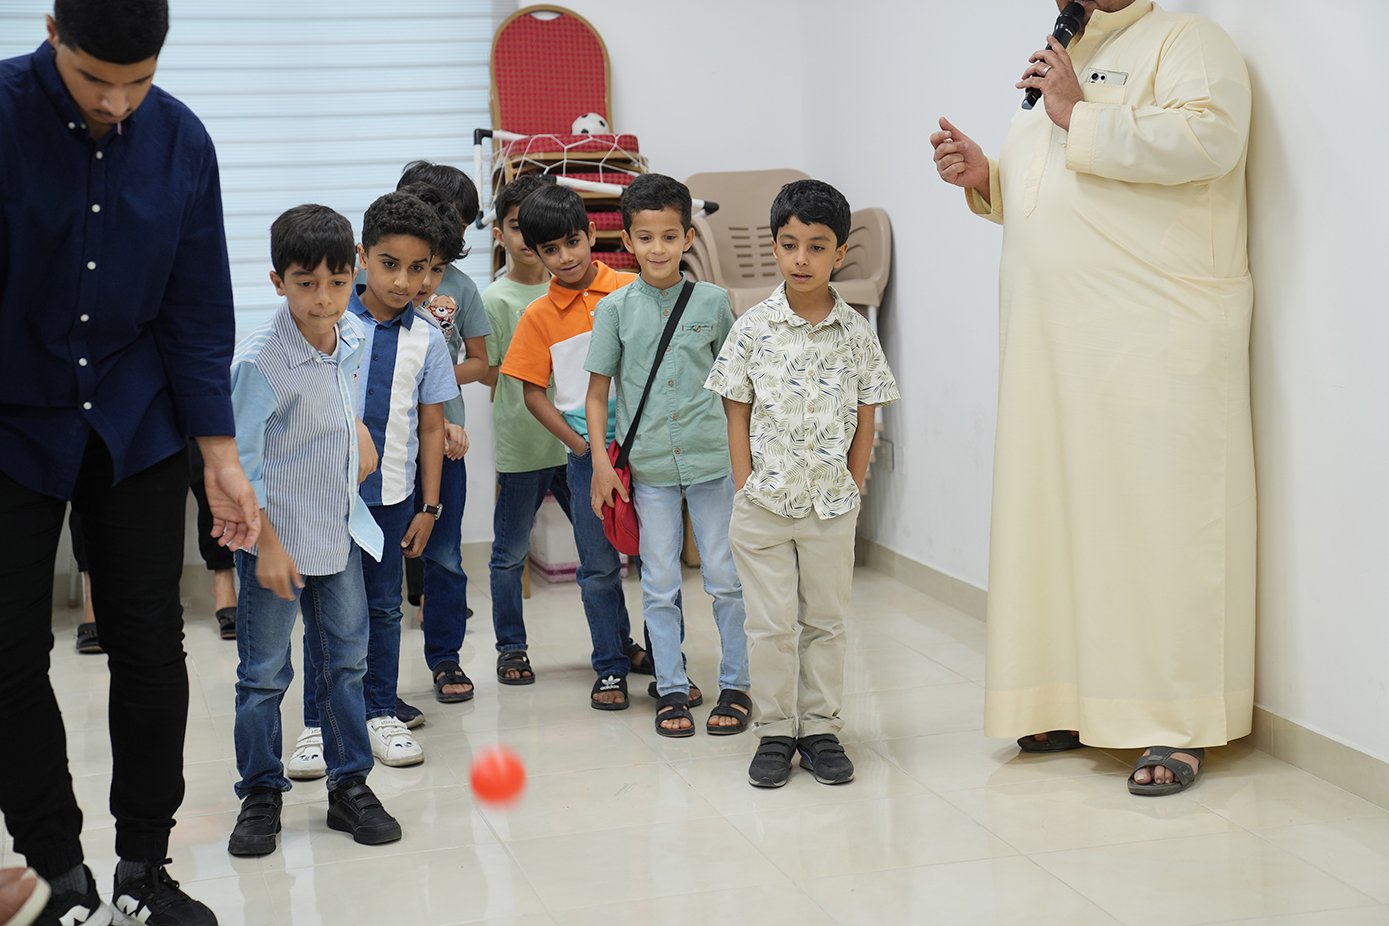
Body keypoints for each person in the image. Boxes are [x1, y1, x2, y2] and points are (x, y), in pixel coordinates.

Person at [929, 0, 1254, 795]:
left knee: (1158, 525)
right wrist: (986, 178)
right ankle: (1067, 701)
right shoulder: (1066, 53)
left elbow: (1210, 141)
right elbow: (1060, 185)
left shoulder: (1186, 40)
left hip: (1151, 334)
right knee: (1059, 525)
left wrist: (1079, 110)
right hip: (1055, 343)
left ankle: (1175, 721)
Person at [0, 1, 260, 922]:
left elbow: (197, 310)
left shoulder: (181, 141)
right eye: (95, 81)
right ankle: (55, 874)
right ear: (51, 33)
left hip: (132, 417)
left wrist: (220, 455)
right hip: (12, 420)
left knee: (150, 643)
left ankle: (144, 869)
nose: (117, 104)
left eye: (139, 82)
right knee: (8, 654)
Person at [706, 179, 899, 788]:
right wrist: (745, 486)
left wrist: (853, 486)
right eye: (789, 245)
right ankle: (774, 731)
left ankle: (819, 730)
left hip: (831, 507)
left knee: (826, 623)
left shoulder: (857, 334)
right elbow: (735, 411)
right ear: (774, 247)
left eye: (817, 247)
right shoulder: (751, 328)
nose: (801, 259)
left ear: (839, 253)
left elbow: (867, 414)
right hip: (762, 505)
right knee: (769, 626)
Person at [227, 204, 401, 859]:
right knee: (264, 676)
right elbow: (239, 464)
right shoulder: (260, 362)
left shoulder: (349, 333)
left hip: (337, 532)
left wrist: (357, 432)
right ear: (278, 282)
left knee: (345, 666)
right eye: (306, 283)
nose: (323, 297)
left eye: (336, 281)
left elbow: (336, 399)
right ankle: (260, 793)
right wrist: (267, 545)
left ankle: (348, 785)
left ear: (354, 273)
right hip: (274, 542)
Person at [288, 191, 454, 779]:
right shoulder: (329, 322)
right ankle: (316, 722)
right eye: (389, 264)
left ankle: (380, 711)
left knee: (384, 608)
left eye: (418, 268)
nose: (404, 281)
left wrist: (429, 506)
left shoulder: (428, 338)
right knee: (326, 615)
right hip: (325, 500)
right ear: (362, 257)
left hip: (391, 499)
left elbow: (431, 425)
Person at [585, 174, 750, 738]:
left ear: (688, 238)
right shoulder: (613, 309)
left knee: (725, 578)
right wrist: (601, 464)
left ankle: (736, 683)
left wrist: (744, 462)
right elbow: (597, 393)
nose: (658, 248)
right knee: (659, 582)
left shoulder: (713, 303)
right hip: (648, 469)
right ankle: (672, 687)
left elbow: (736, 389)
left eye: (670, 236)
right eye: (646, 237)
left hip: (712, 464)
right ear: (627, 241)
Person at [499, 183, 644, 710]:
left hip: (647, 450)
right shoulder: (538, 316)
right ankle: (609, 666)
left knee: (657, 564)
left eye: (572, 243)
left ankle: (665, 661)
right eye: (550, 250)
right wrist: (581, 447)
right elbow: (531, 392)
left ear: (592, 234)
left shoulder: (631, 288)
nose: (564, 257)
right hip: (589, 459)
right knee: (598, 565)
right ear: (535, 254)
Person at [394, 163, 491, 713]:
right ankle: (372, 673)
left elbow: (480, 362)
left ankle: (445, 657)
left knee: (446, 554)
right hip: (386, 442)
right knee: (379, 558)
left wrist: (432, 379)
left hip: (445, 436)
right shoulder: (381, 279)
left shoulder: (461, 287)